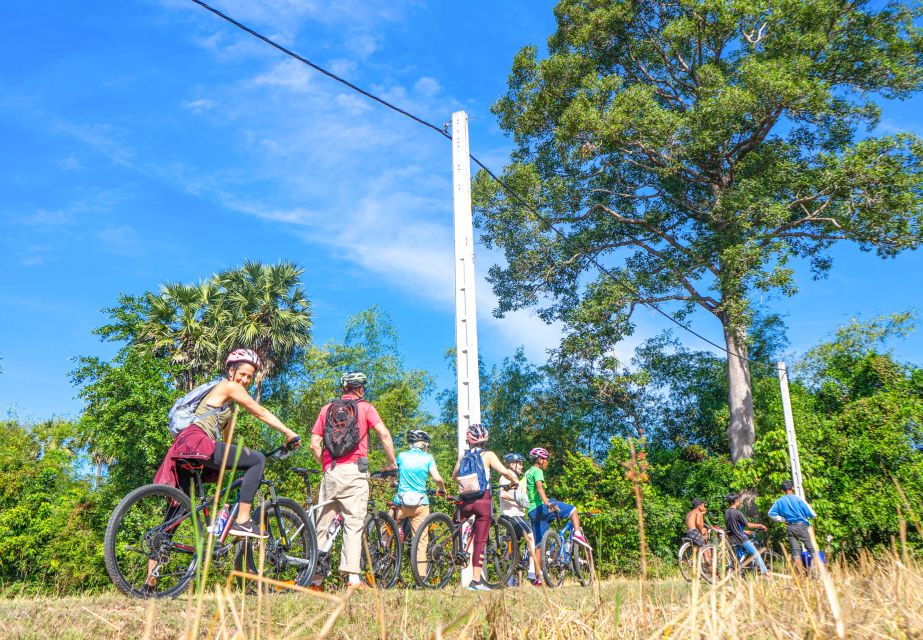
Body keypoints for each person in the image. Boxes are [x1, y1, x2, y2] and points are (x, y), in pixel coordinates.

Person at [154, 348, 300, 539]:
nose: (245, 380)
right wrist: (289, 433)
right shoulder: (229, 386)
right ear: (231, 371)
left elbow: (227, 441)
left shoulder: (226, 408)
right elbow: (260, 412)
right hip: (196, 440)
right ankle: (243, 521)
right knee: (257, 460)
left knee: (177, 511)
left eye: (250, 377)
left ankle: (157, 552)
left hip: (184, 447)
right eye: (242, 374)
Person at [309, 372, 397, 587]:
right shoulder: (366, 407)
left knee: (323, 524)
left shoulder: (327, 409)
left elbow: (314, 444)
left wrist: (326, 465)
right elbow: (384, 435)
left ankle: (316, 580)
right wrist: (392, 463)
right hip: (355, 472)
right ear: (361, 389)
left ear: (343, 388)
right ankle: (352, 578)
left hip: (331, 471)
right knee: (353, 522)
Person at [451, 424, 519, 591]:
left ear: (469, 440)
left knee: (455, 526)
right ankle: (476, 582)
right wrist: (514, 480)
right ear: (485, 439)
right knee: (480, 541)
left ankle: (455, 551)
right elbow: (504, 471)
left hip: (465, 501)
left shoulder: (464, 456)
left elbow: (454, 477)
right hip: (482, 500)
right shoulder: (488, 455)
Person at [394, 429, 446, 578]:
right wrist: (441, 489)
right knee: (421, 540)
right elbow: (437, 478)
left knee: (389, 522)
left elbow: (393, 473)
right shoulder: (428, 458)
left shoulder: (402, 456)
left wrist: (394, 482)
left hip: (402, 503)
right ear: (424, 444)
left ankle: (388, 544)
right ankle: (421, 577)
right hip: (420, 504)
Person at [524, 447, 591, 553]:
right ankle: (578, 534)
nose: (547, 462)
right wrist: (547, 503)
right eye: (546, 459)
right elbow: (539, 487)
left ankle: (537, 570)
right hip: (542, 507)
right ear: (539, 460)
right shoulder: (538, 471)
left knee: (538, 545)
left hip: (532, 511)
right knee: (572, 510)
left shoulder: (527, 472)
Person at [499, 452, 541, 586]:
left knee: (513, 548)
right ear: (512, 464)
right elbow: (502, 494)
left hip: (517, 514)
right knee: (531, 536)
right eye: (520, 464)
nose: (522, 466)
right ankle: (531, 571)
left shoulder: (516, 477)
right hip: (512, 514)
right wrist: (518, 499)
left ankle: (510, 579)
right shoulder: (506, 476)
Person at [768, 480, 817, 573]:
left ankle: (800, 574)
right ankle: (816, 572)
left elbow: (771, 513)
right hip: (802, 526)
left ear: (782, 490)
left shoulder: (779, 501)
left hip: (790, 527)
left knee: (795, 551)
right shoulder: (799, 499)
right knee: (811, 549)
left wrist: (783, 520)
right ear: (793, 488)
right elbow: (812, 514)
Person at [724, 493, 768, 576]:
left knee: (739, 558)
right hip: (741, 539)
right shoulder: (738, 513)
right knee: (756, 554)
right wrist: (760, 525)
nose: (739, 502)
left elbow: (732, 527)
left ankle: (738, 574)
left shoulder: (727, 512)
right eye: (738, 500)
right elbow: (749, 525)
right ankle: (766, 573)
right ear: (736, 501)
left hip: (733, 538)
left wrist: (744, 531)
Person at [683, 499, 713, 566]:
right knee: (704, 546)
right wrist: (701, 530)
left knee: (702, 538)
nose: (704, 508)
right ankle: (707, 561)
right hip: (694, 531)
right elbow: (698, 523)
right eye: (703, 506)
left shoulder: (690, 513)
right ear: (700, 506)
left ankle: (704, 559)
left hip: (689, 532)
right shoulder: (698, 512)